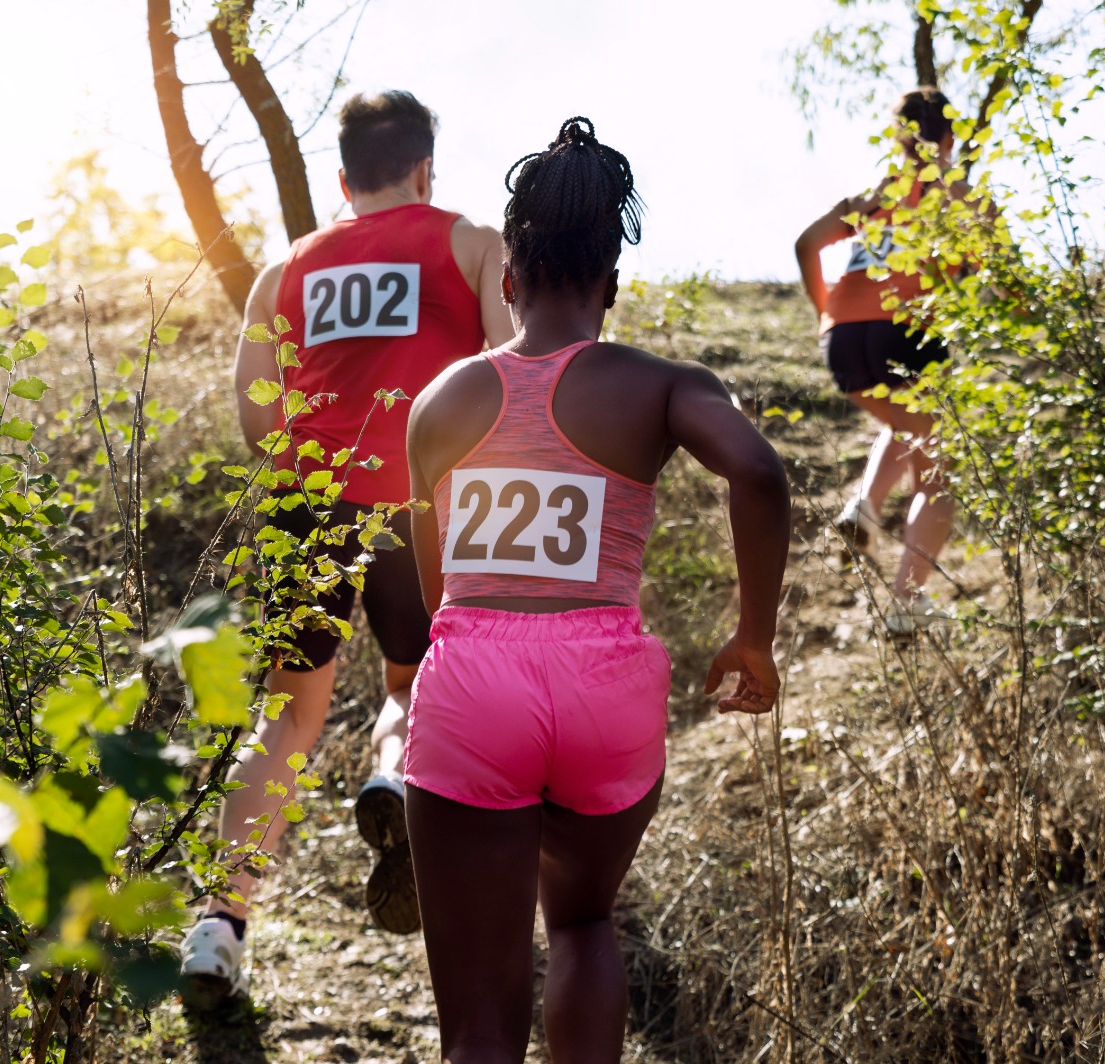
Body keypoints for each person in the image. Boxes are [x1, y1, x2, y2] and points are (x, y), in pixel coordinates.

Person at [403, 117, 790, 1062]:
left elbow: (435, 572)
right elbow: (758, 472)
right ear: (610, 288)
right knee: (581, 927)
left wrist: (461, 653)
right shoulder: (657, 385)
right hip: (604, 688)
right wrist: (752, 639)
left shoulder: (441, 401)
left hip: (475, 683)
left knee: (478, 1034)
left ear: (508, 281)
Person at [180, 89, 514, 1006]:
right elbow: (515, 369)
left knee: (288, 715)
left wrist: (316, 463)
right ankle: (392, 776)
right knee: (409, 682)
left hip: (306, 504)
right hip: (422, 500)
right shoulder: (473, 243)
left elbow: (254, 416)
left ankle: (218, 928)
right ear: (423, 167)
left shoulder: (285, 267)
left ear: (340, 178)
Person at [795, 87, 978, 633]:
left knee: (907, 425)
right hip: (906, 333)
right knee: (936, 474)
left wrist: (825, 311)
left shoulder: (873, 197)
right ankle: (905, 604)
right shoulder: (956, 192)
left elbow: (806, 244)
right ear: (947, 139)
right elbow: (987, 272)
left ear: (898, 138)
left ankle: (865, 511)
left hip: (844, 341)